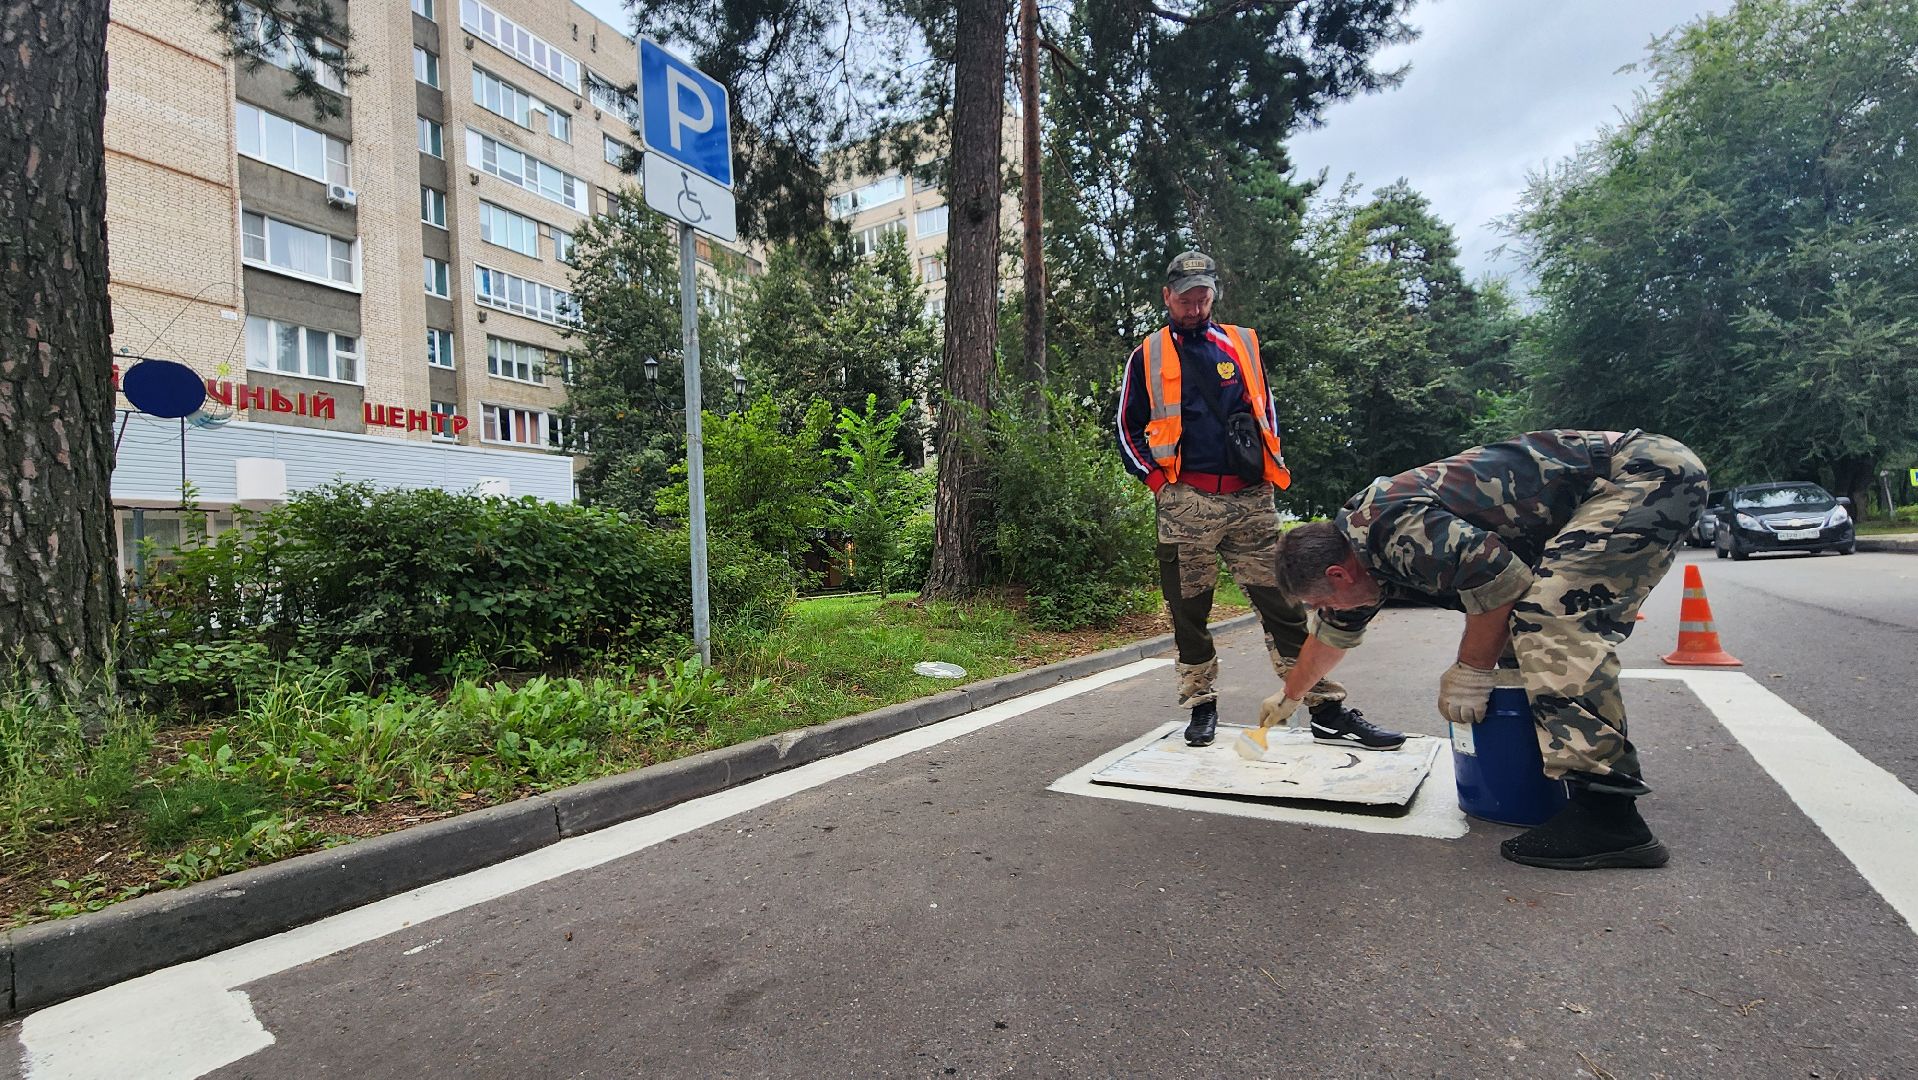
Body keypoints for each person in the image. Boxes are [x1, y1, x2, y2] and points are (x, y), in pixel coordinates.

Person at [1268, 430, 1707, 870]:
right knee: (1519, 640)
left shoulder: (1392, 531)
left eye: (1320, 601)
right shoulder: (1359, 558)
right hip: (1616, 480)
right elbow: (1330, 635)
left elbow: (1501, 581)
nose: (1323, 611)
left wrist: (1470, 670)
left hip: (1641, 473)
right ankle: (1555, 781)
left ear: (1338, 574)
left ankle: (1609, 818)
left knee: (1550, 618)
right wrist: (1290, 696)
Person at [1116, 250, 1403, 752]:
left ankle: (1325, 708)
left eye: (1204, 292)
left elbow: (1264, 409)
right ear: (1167, 296)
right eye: (1186, 295)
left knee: (1288, 604)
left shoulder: (1242, 343)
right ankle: (1201, 704)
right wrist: (1159, 483)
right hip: (1187, 502)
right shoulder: (1148, 354)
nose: (1196, 302)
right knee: (1189, 611)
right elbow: (1126, 426)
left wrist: (1268, 468)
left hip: (1251, 501)